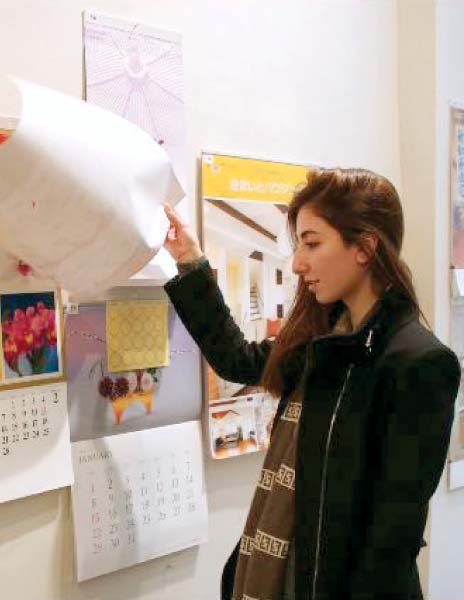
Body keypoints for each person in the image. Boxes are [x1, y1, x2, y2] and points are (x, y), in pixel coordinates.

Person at [162, 168, 461, 600]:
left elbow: (390, 543)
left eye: (312, 242)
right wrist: (190, 259)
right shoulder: (320, 343)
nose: (299, 263)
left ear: (365, 247)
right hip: (288, 575)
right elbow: (238, 360)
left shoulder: (419, 363)